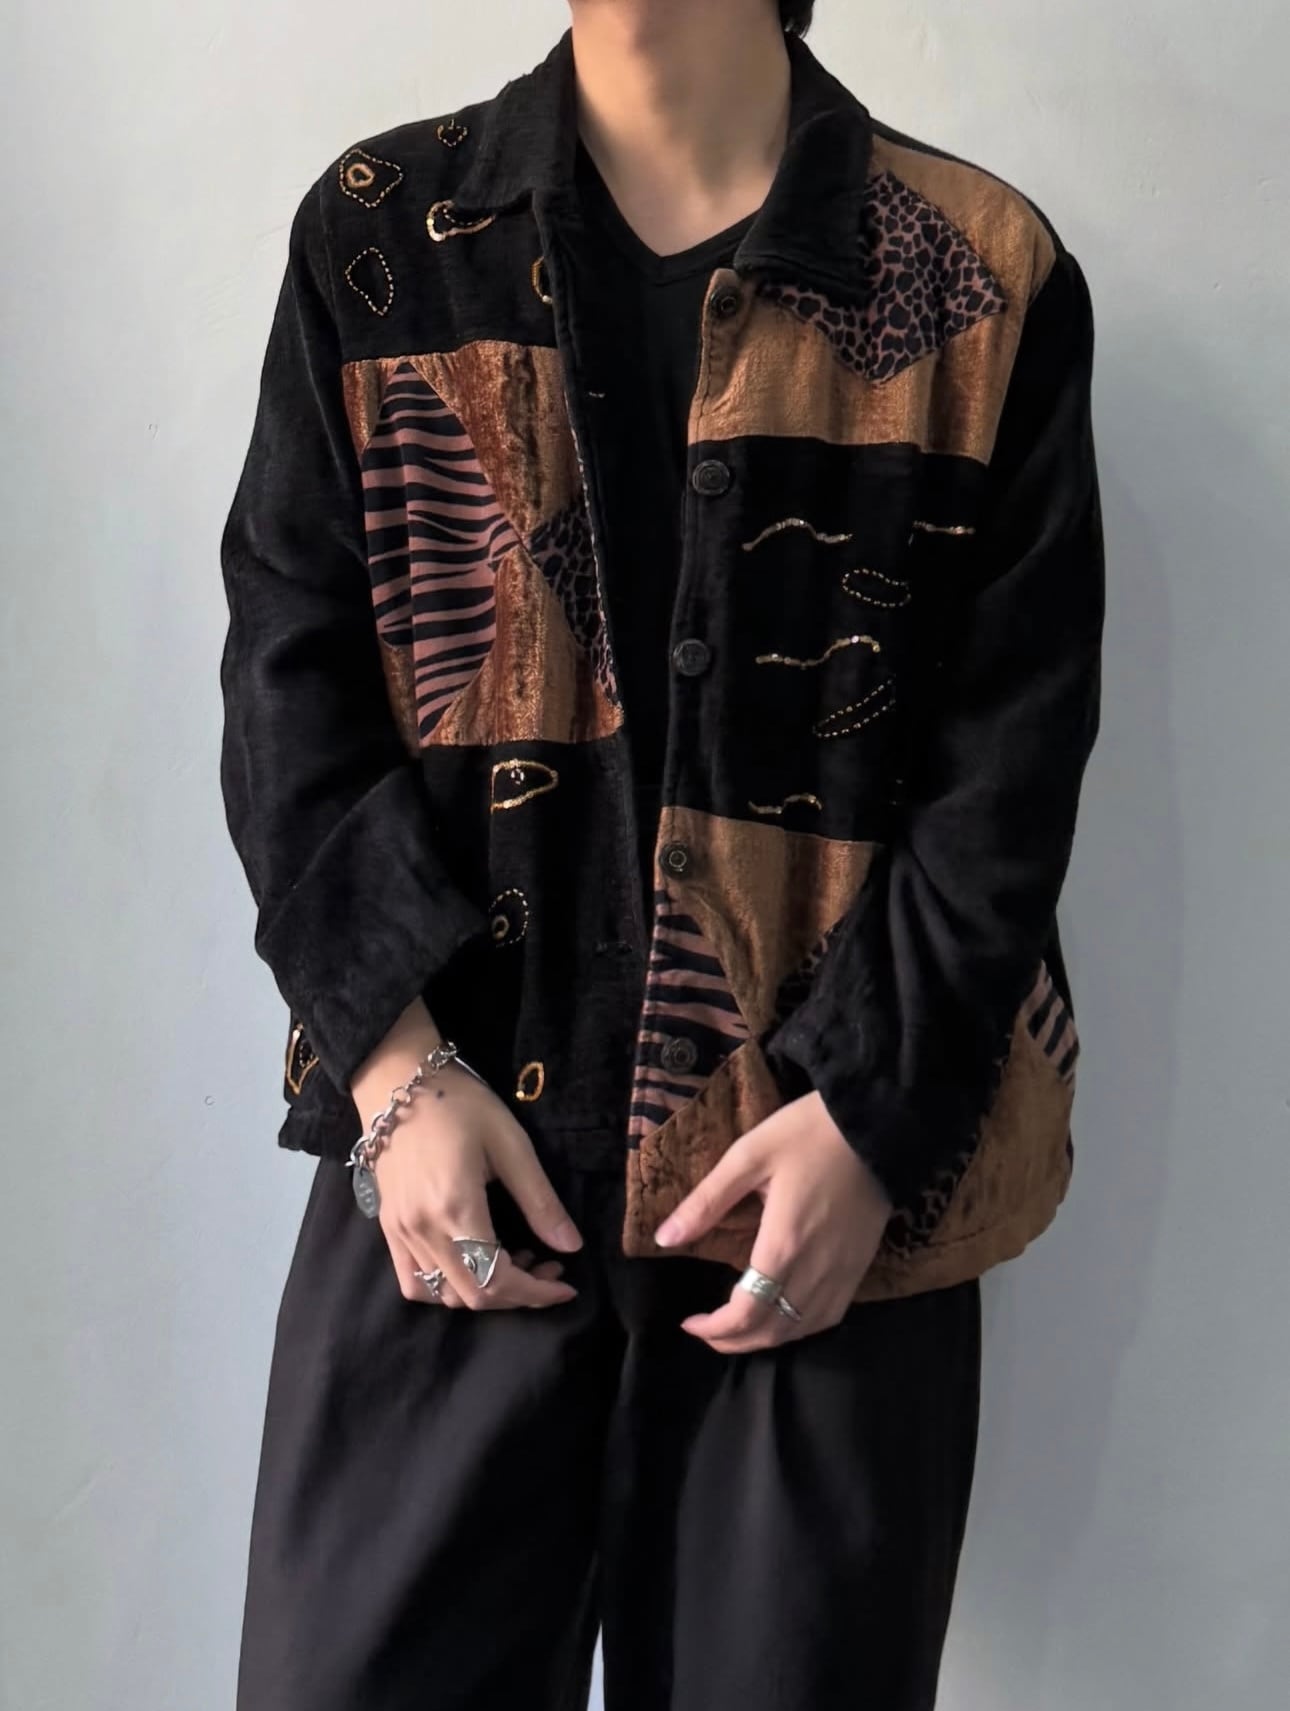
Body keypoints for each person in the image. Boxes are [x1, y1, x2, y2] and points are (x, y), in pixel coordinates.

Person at [218, 1, 1104, 1706]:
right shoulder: (386, 235)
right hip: (453, 1170)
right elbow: (286, 687)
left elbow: (1008, 761)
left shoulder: (978, 269)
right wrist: (396, 1070)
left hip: (817, 1202)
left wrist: (869, 1118)